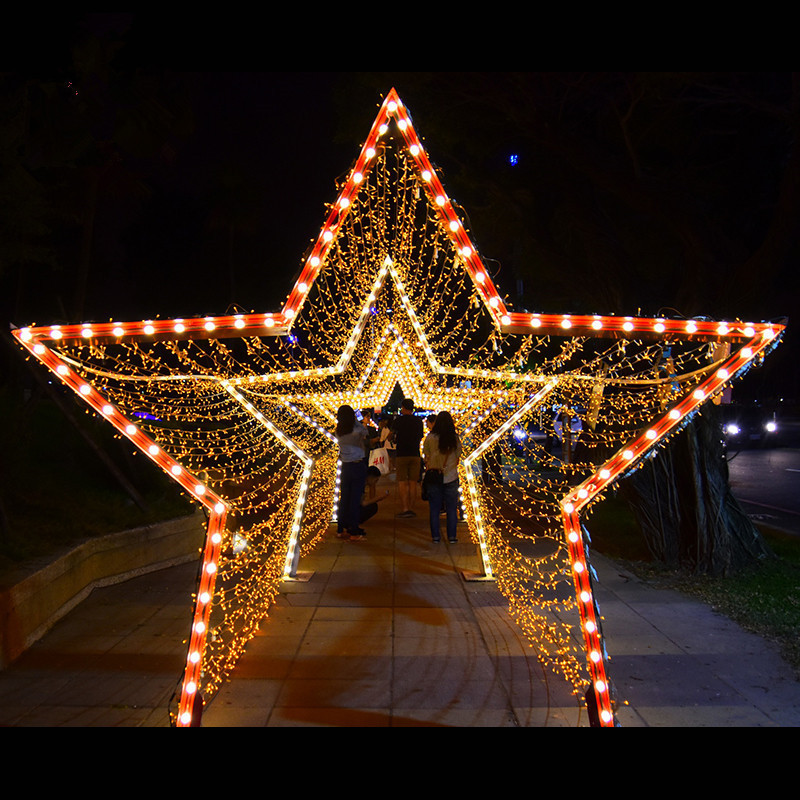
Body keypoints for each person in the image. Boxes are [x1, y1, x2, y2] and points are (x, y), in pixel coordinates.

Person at [422, 410, 462, 543]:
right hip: (451, 476)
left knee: (434, 508)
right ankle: (452, 537)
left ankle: (436, 537)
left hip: (434, 477)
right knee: (451, 509)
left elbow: (425, 454)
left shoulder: (431, 437)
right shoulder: (454, 438)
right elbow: (458, 456)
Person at [335, 404, 370, 539]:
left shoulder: (338, 431)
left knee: (344, 499)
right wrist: (356, 419)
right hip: (357, 466)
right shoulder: (356, 430)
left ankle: (340, 529)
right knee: (355, 499)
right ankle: (353, 530)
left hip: (345, 466)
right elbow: (365, 432)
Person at [392, 398, 424, 518]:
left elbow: (391, 434)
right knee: (413, 482)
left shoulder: (398, 421)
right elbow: (420, 436)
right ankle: (411, 508)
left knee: (402, 482)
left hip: (401, 454)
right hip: (415, 454)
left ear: (403, 408)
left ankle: (405, 508)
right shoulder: (418, 421)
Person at [353, 466, 391, 539]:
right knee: (373, 507)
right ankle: (354, 524)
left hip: (353, 508)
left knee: (373, 506)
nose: (375, 482)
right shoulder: (360, 485)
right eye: (375, 480)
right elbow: (364, 503)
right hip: (351, 511)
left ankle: (355, 524)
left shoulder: (362, 483)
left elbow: (370, 498)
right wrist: (380, 497)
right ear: (370, 477)